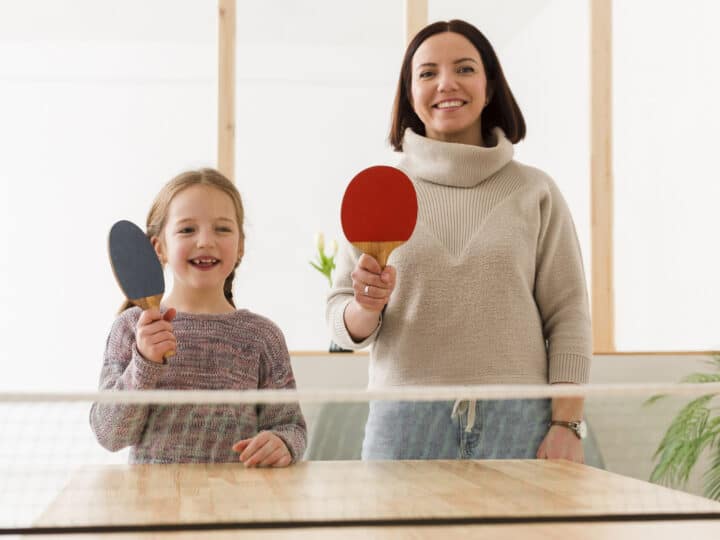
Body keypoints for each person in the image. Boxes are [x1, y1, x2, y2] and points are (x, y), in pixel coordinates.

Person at [327, 20, 591, 463]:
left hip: (520, 420)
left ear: (489, 88)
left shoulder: (535, 191)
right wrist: (366, 306)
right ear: (410, 94)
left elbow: (568, 316)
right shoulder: (381, 191)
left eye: (464, 69)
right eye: (427, 73)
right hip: (404, 423)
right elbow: (342, 319)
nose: (446, 83)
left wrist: (567, 425)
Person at [91, 168, 306, 465]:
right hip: (152, 507)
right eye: (187, 230)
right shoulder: (130, 328)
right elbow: (109, 434)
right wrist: (144, 362)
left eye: (222, 229)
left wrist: (282, 443)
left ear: (240, 245)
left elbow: (290, 425)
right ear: (159, 247)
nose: (205, 241)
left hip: (237, 505)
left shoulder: (261, 336)